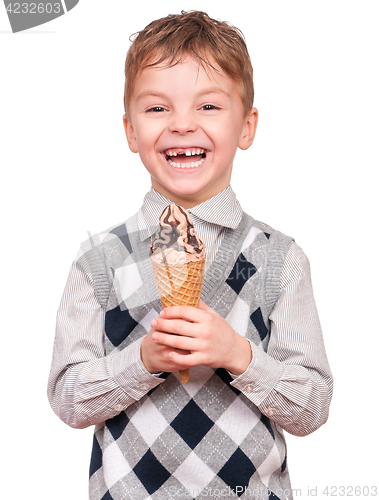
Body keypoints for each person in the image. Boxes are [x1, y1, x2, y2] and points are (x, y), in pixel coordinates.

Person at [48, 11, 333, 500]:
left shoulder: (278, 259)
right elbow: (68, 397)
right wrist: (143, 360)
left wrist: (238, 355)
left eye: (208, 106)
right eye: (158, 109)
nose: (182, 124)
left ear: (247, 127)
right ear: (130, 131)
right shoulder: (100, 260)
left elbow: (312, 405)